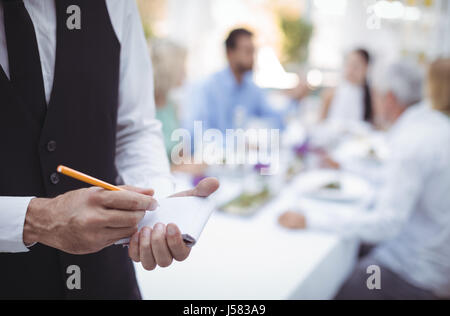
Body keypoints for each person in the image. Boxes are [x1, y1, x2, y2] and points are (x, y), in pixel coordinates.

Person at [0, 0, 218, 299]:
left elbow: (134, 128)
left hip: (109, 283)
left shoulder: (117, 5)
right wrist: (35, 219)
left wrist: (158, 211)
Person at [279, 59, 450, 299]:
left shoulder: (412, 142)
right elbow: (394, 177)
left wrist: (310, 220)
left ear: (389, 98)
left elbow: (385, 224)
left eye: (378, 96)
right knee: (351, 252)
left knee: (340, 286)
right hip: (434, 255)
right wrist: (345, 165)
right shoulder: (431, 126)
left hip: (415, 272)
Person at [183, 28, 304, 137]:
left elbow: (275, 119)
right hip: (212, 159)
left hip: (241, 158)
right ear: (230, 53)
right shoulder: (207, 87)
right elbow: (195, 134)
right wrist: (236, 144)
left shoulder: (252, 88)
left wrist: (295, 99)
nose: (252, 57)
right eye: (247, 51)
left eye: (253, 51)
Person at [320, 48, 373, 123]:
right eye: (348, 64)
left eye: (356, 66)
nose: (350, 70)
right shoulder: (331, 93)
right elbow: (320, 122)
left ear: (366, 68)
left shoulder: (372, 96)